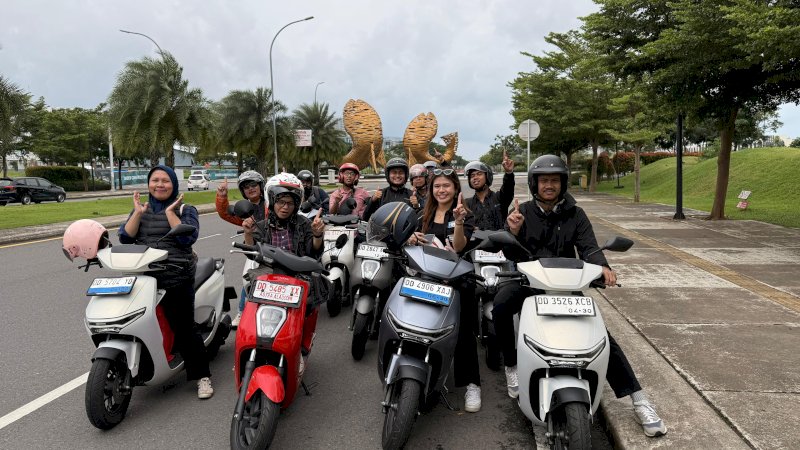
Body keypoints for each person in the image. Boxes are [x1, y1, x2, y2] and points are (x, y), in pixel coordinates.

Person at [498, 154, 667, 437]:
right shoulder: (522, 212)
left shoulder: (576, 214)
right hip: (529, 283)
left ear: (563, 183)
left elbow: (589, 247)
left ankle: (640, 401)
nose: (549, 185)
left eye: (554, 180)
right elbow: (511, 253)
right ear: (534, 183)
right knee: (501, 306)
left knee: (601, 338)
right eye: (543, 180)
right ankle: (512, 365)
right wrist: (512, 231)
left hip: (566, 287)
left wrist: (604, 266)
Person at [118, 165, 213, 399]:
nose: (160, 185)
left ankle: (202, 376)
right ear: (148, 184)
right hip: (143, 276)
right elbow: (125, 237)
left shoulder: (185, 209)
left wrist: (171, 213)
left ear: (174, 184)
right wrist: (138, 213)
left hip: (175, 274)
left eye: (165, 181)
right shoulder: (142, 208)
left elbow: (187, 238)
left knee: (184, 327)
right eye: (155, 180)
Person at [407, 168, 482, 413]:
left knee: (463, 333)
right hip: (427, 280)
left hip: (458, 281)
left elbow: (459, 246)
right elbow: (411, 243)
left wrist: (459, 222)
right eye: (437, 186)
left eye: (446, 186)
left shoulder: (464, 214)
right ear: (431, 190)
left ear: (456, 189)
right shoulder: (422, 215)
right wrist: (411, 239)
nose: (441, 190)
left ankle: (472, 383)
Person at [216, 170, 268, 327]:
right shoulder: (243, 208)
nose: (251, 189)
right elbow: (226, 213)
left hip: (276, 244)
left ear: (260, 186)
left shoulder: (271, 202)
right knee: (248, 276)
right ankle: (241, 312)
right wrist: (222, 196)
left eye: (253, 185)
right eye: (246, 187)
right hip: (254, 247)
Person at [243, 173, 324, 259]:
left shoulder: (305, 223)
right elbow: (252, 254)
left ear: (296, 205)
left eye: (290, 203)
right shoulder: (261, 226)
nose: (285, 207)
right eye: (281, 202)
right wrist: (248, 234)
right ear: (272, 201)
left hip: (298, 270)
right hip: (269, 269)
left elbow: (314, 251)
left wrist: (317, 235)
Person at [463, 152, 515, 232]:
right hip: (477, 243)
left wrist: (508, 173)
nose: (475, 177)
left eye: (479, 174)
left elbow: (508, 187)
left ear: (487, 177)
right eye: (472, 176)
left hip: (499, 242)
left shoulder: (499, 198)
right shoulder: (467, 203)